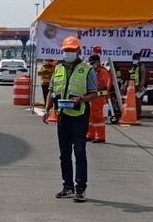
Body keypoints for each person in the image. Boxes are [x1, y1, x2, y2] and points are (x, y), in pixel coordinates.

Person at [43, 35, 95, 202]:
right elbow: (51, 91)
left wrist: (81, 98)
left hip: (79, 116)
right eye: (66, 50)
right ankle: (68, 186)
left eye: (71, 50)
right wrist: (47, 109)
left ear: (78, 51)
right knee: (64, 154)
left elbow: (94, 93)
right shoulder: (58, 69)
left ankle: (80, 188)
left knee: (79, 152)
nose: (68, 53)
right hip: (63, 116)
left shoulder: (87, 70)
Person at [91, 47, 118, 125]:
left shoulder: (104, 69)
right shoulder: (92, 66)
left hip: (100, 95)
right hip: (93, 95)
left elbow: (105, 83)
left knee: (98, 116)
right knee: (93, 116)